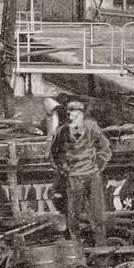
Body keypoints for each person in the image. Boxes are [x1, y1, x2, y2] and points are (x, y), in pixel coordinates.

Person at [49, 100, 112, 246]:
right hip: (74, 178)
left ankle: (100, 246)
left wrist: (97, 166)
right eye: (70, 113)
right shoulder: (62, 132)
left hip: (92, 176)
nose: (72, 116)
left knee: (97, 214)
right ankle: (75, 245)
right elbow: (54, 154)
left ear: (82, 115)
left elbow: (105, 149)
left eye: (76, 113)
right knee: (73, 214)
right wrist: (65, 169)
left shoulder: (92, 128)